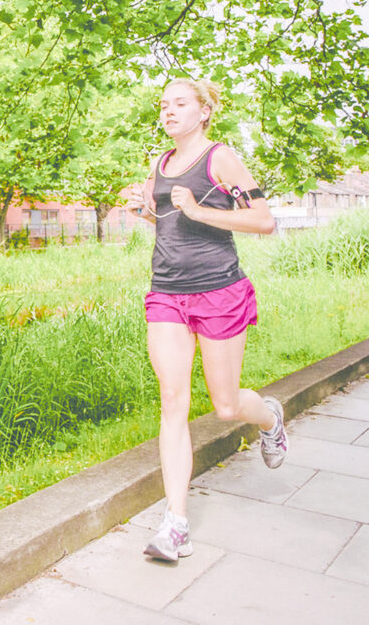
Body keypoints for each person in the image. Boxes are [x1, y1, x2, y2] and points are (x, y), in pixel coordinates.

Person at [125, 78, 287, 562]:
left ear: (204, 111)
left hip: (219, 290)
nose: (169, 111)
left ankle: (269, 416)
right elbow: (176, 222)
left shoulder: (220, 157)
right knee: (172, 400)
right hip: (167, 294)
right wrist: (146, 212)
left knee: (225, 406)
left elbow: (263, 220)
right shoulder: (161, 163)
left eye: (180, 103)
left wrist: (198, 209)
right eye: (164, 105)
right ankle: (176, 524)